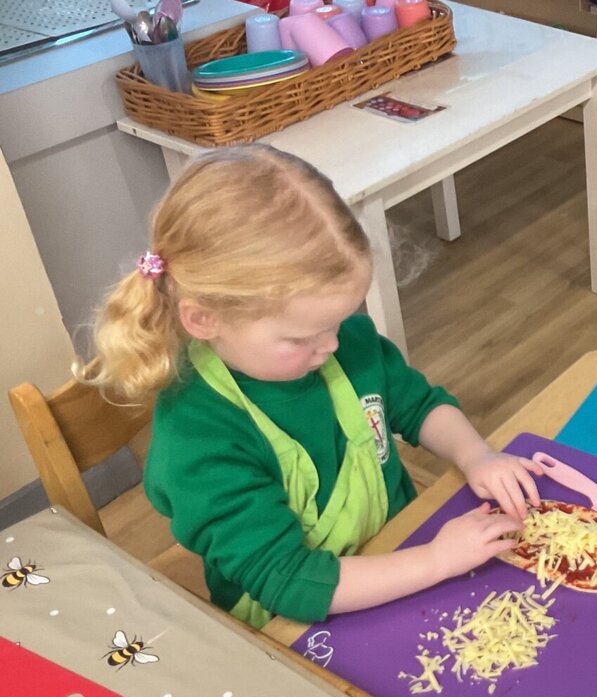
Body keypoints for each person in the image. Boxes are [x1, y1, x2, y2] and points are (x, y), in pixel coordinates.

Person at [80, 145, 538, 627]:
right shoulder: (199, 441)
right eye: (301, 337)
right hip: (300, 617)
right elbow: (288, 581)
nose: (332, 345)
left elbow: (421, 407)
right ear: (204, 318)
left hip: (400, 543)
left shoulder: (343, 346)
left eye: (340, 321)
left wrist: (476, 455)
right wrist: (438, 561)